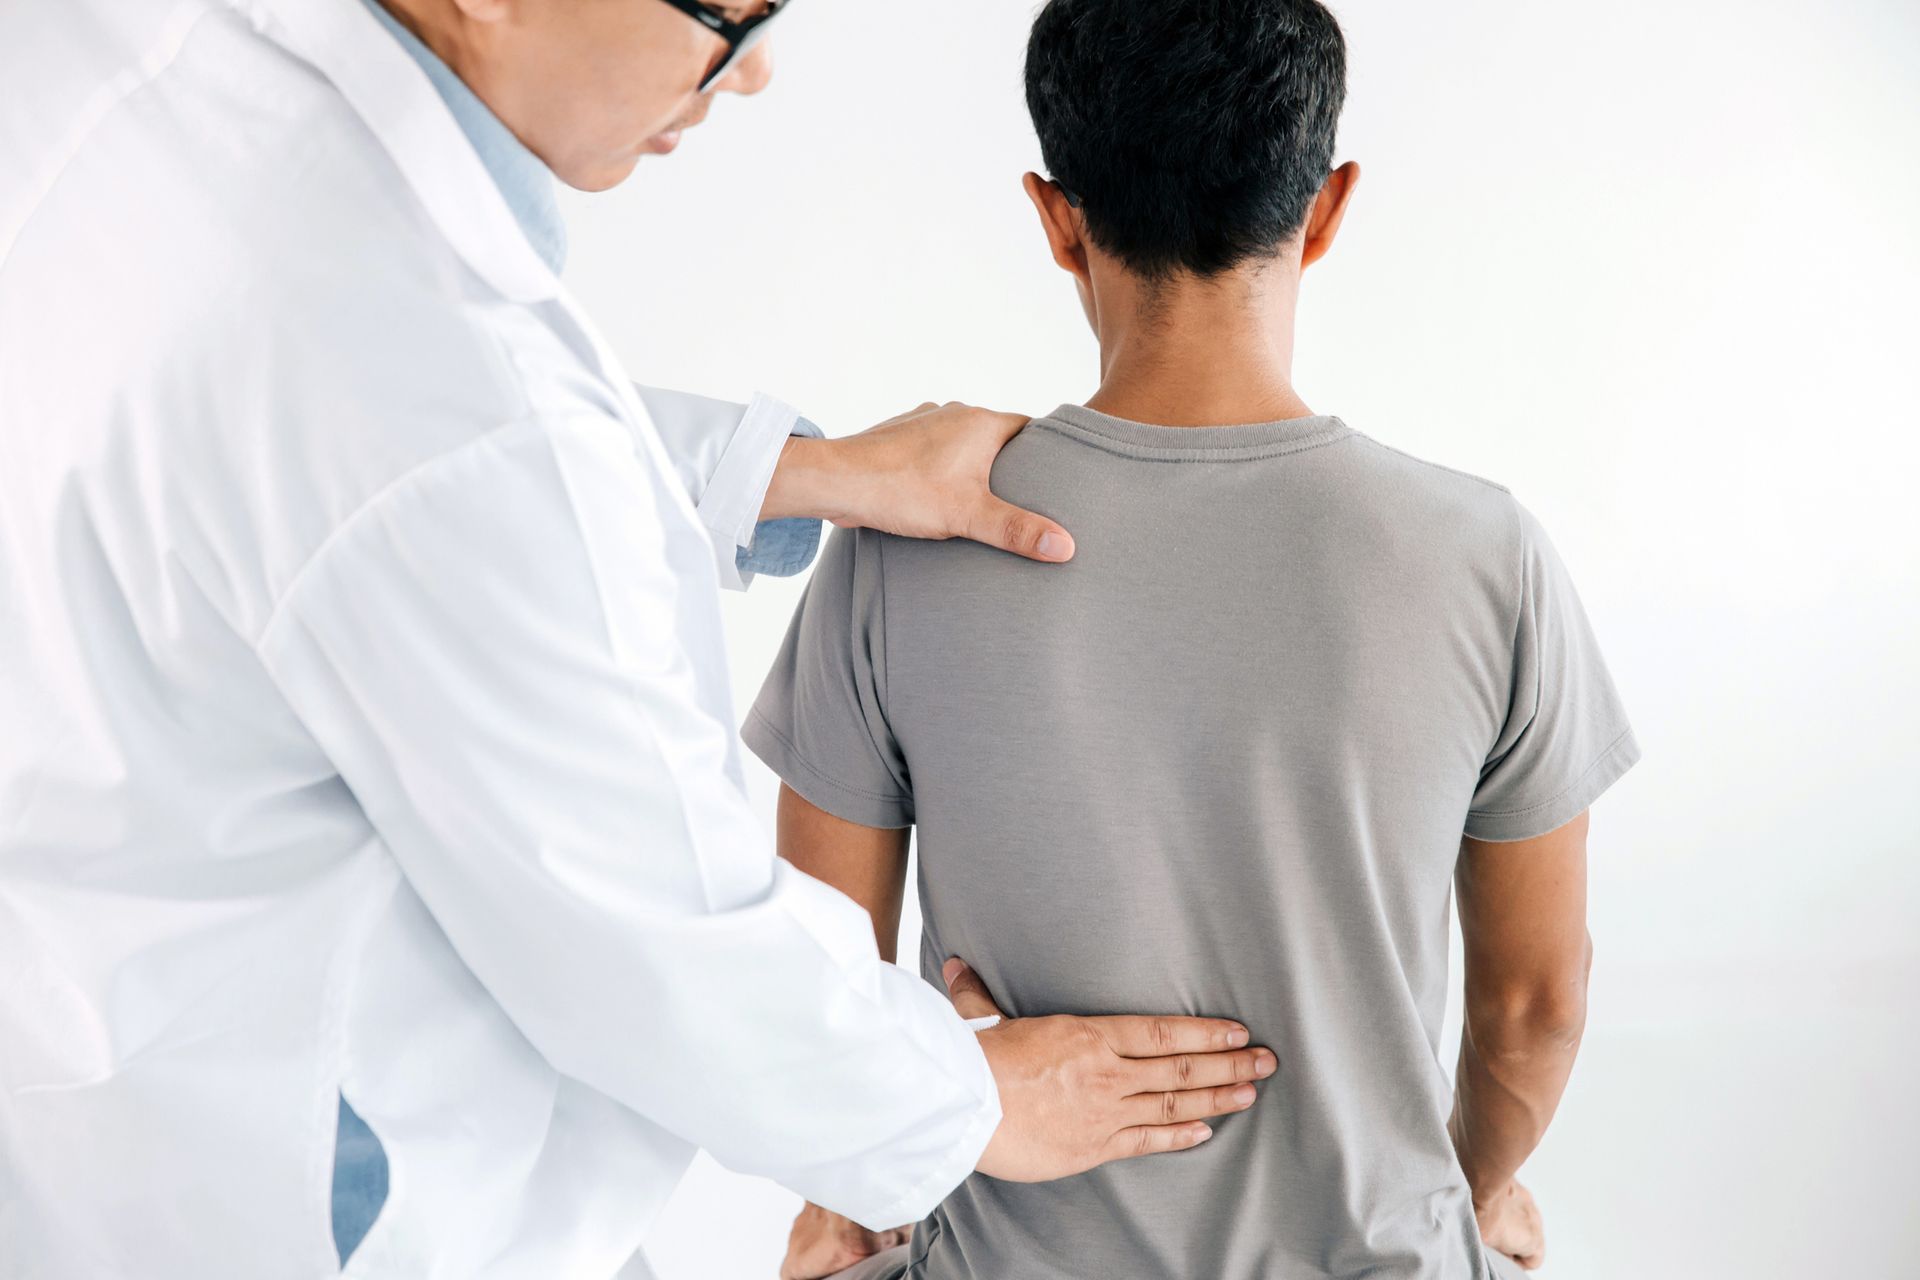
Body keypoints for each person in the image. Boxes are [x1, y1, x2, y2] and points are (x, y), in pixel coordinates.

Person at [0, 1, 1282, 1276]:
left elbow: (347, 467)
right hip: (330, 1207)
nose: (755, 70)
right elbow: (662, 942)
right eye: (722, 15)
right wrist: (970, 1097)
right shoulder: (425, 384)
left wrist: (796, 471)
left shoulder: (111, 55)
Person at [745, 1, 1642, 1277]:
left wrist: (853, 1196)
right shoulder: (1486, 551)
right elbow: (1534, 1008)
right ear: (1325, 209)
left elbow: (808, 996)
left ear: (1057, 219)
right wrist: (1470, 1188)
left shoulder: (906, 540)